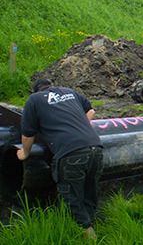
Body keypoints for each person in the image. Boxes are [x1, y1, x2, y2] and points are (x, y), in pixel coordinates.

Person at [17, 78, 103, 239]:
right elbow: (91, 110)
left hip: (70, 153)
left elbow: (28, 133)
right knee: (89, 190)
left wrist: (25, 153)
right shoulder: (69, 92)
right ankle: (91, 223)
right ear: (51, 85)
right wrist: (77, 126)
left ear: (35, 90)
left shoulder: (34, 100)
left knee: (70, 195)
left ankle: (87, 234)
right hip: (96, 148)